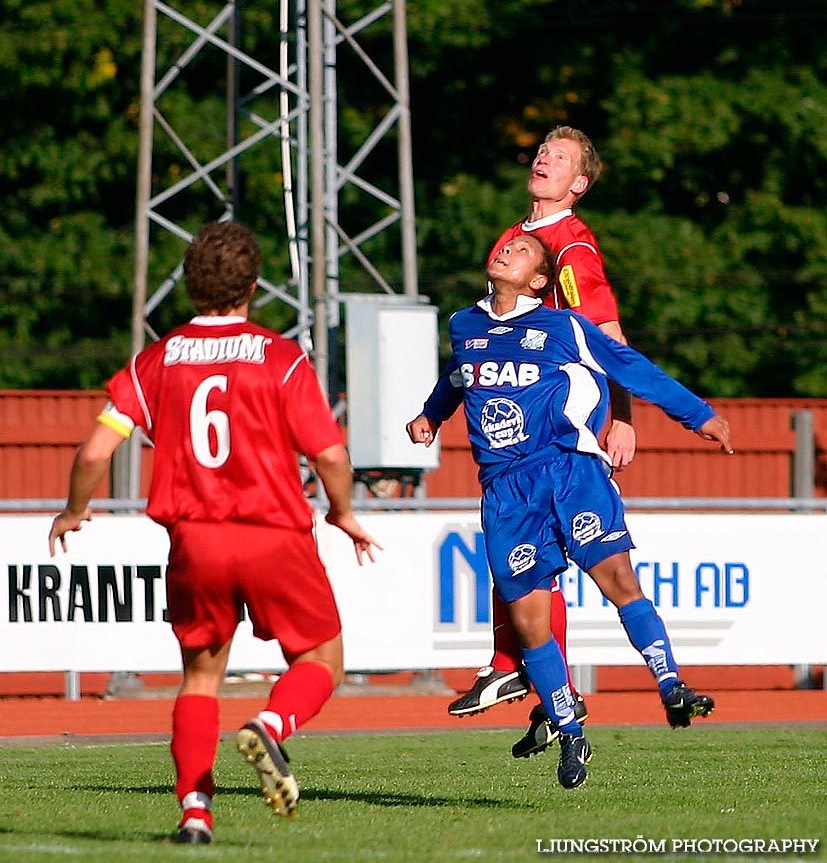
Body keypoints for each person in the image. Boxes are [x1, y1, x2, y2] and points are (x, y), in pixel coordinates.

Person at [48, 221, 381, 845]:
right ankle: (272, 725)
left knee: (200, 678)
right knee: (322, 659)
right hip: (272, 532)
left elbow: (95, 452)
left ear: (189, 285)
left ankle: (195, 814)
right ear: (254, 284)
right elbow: (331, 455)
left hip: (195, 539)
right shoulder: (280, 357)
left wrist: (72, 511)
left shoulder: (157, 360)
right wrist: (342, 512)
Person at [408, 233, 732, 789]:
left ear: (539, 280)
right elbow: (460, 376)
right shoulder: (464, 324)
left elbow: (631, 368)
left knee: (618, 580)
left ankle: (670, 682)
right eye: (504, 246)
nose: (507, 250)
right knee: (530, 620)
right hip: (506, 493)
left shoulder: (565, 327)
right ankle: (568, 730)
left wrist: (698, 414)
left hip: (569, 470)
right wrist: (431, 415)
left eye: (523, 252)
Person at [408, 125, 632, 758]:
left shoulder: (571, 249)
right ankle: (541, 689)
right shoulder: (521, 240)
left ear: (578, 184)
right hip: (516, 431)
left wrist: (622, 415)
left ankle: (518, 667)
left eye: (559, 158)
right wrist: (439, 406)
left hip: (558, 428)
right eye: (542, 150)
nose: (543, 158)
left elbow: (606, 332)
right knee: (530, 565)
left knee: (536, 559)